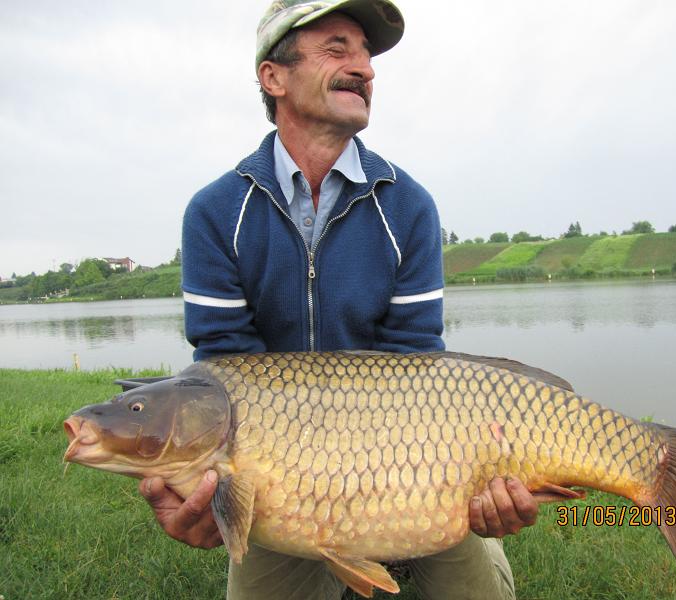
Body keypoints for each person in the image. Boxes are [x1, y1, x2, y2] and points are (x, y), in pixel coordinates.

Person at [139, 2, 547, 598]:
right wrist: (212, 492)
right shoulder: (217, 214)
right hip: (283, 477)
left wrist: (448, 482)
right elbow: (225, 374)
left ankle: (426, 542)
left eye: (367, 54)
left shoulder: (407, 206)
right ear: (273, 76)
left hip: (413, 460)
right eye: (338, 48)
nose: (365, 68)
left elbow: (415, 365)